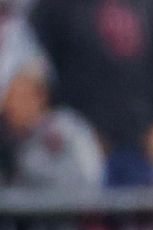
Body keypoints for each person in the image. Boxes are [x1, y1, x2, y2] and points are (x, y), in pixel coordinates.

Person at [30, 0, 153, 186]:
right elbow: (34, 75)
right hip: (77, 149)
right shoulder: (54, 7)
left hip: (147, 147)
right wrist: (74, 133)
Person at [0, 56, 103, 186]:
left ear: (40, 97)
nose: (11, 106)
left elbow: (90, 177)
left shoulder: (65, 130)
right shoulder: (8, 137)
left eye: (19, 96)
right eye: (9, 97)